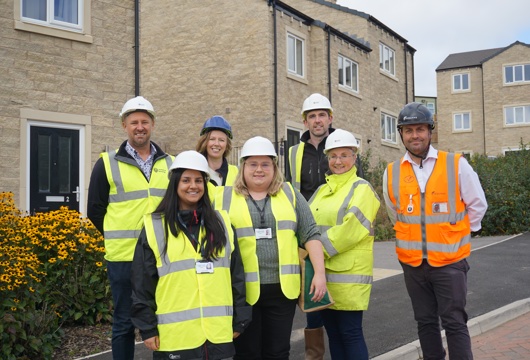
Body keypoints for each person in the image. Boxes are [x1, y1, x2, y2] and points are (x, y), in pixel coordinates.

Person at [382, 102, 488, 360]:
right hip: (413, 264)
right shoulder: (392, 172)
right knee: (425, 322)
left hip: (450, 262)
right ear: (401, 134)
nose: (414, 135)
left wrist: (456, 235)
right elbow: (395, 213)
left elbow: (477, 206)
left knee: (454, 322)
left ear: (430, 132)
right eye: (408, 130)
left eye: (420, 129)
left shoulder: (456, 164)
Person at [130, 150, 251, 359]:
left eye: (198, 180)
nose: (193, 186)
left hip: (218, 334)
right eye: (186, 180)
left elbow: (236, 275)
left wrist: (240, 318)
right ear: (175, 184)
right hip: (176, 338)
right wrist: (147, 328)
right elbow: (142, 283)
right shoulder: (155, 226)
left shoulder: (221, 223)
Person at [214, 136, 327, 360]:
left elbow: (311, 233)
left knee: (278, 352)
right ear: (243, 166)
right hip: (242, 292)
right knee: (247, 353)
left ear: (274, 168)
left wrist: (320, 274)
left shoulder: (290, 194)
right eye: (253, 164)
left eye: (265, 164)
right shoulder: (223, 196)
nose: (259, 169)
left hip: (282, 291)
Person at [87, 96, 174, 359]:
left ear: (153, 124)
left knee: (163, 317)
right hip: (123, 256)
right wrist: (116, 234)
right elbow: (95, 210)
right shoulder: (107, 163)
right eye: (134, 121)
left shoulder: (170, 163)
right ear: (124, 125)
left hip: (162, 254)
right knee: (124, 321)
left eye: (144, 121)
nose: (140, 126)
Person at [288, 93, 364, 359]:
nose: (317, 120)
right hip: (307, 236)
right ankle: (314, 357)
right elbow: (289, 194)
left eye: (322, 115)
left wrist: (320, 246)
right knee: (315, 313)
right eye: (312, 116)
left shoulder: (341, 145)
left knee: (346, 329)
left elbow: (358, 196)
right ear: (305, 121)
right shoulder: (294, 153)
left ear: (330, 118)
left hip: (331, 246)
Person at [308, 129, 380, 360]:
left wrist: (315, 251)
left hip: (349, 277)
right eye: (333, 156)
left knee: (350, 334)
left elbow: (351, 230)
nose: (338, 161)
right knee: (334, 335)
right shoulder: (321, 190)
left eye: (344, 155)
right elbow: (306, 226)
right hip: (322, 276)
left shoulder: (362, 189)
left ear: (354, 157)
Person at [196, 115, 238, 187]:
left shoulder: (237, 173)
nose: (216, 144)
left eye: (221, 140)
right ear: (204, 142)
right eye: (212, 139)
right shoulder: (195, 171)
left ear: (227, 145)